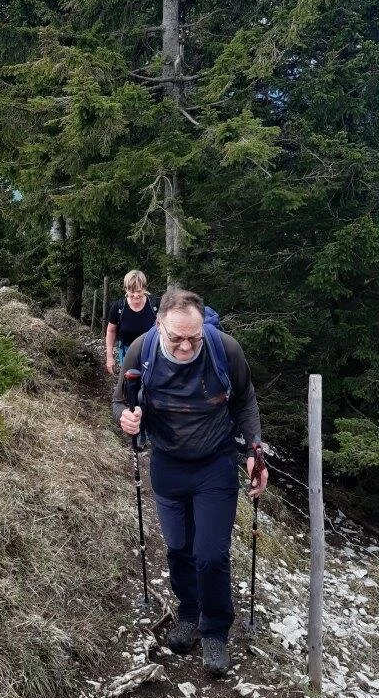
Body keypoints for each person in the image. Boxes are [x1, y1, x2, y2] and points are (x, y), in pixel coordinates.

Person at [112, 286, 268, 677]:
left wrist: (255, 450)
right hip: (167, 463)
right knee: (179, 547)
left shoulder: (224, 350)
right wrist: (126, 418)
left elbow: (245, 400)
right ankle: (188, 613)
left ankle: (215, 631)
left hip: (215, 463)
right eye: (177, 338)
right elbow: (121, 400)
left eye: (194, 338)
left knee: (210, 553)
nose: (185, 346)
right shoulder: (142, 351)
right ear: (158, 324)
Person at [105, 269, 159, 375]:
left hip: (151, 352)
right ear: (125, 289)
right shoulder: (118, 307)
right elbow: (111, 331)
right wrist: (109, 357)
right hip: (127, 353)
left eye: (139, 291)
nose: (135, 295)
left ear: (144, 288)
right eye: (131, 291)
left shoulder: (155, 305)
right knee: (130, 381)